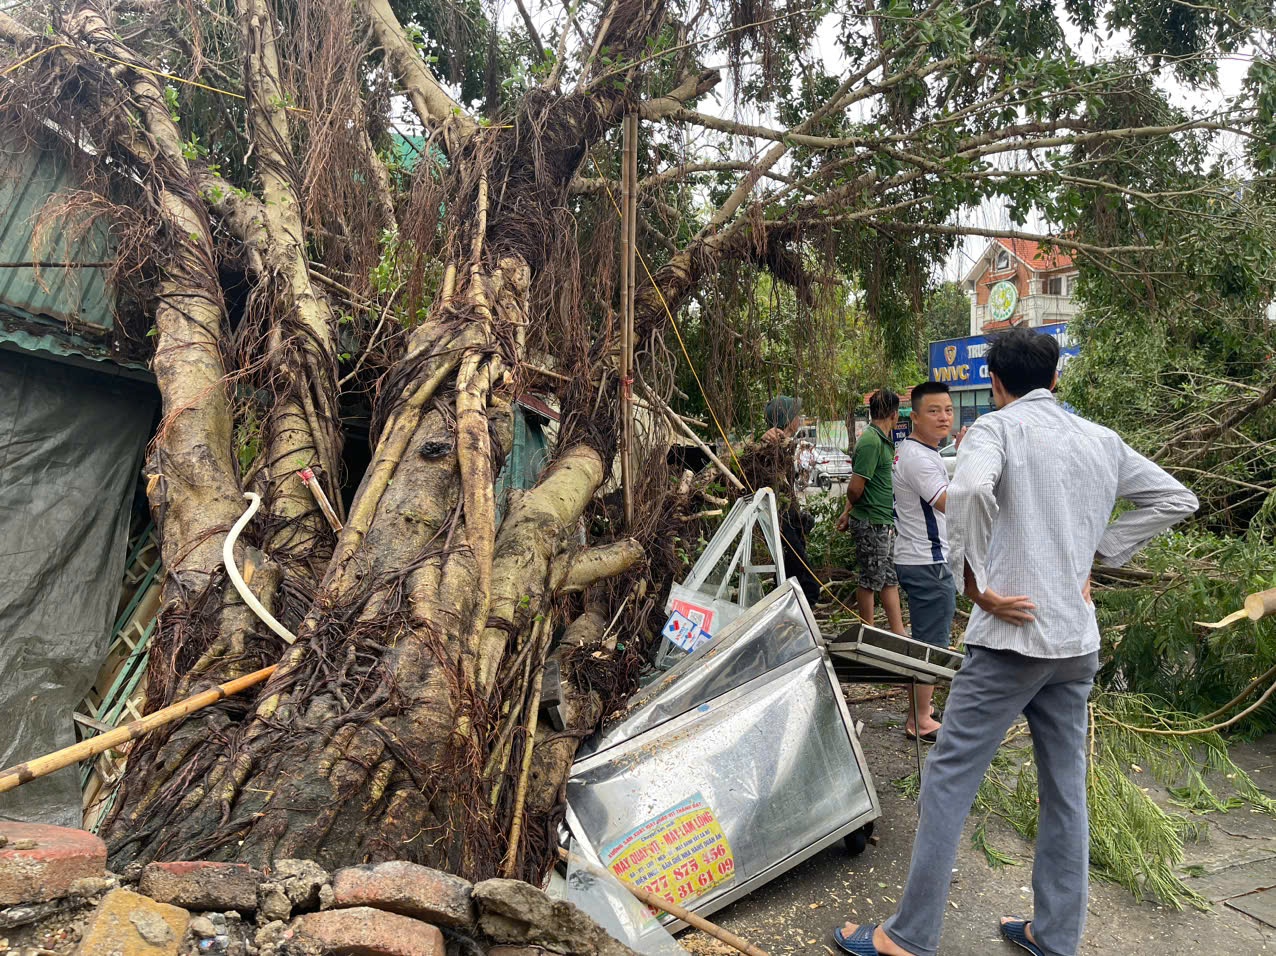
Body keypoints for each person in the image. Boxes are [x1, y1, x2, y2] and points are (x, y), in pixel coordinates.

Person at [833, 327, 1198, 956]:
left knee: (948, 777)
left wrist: (970, 581)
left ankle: (909, 936)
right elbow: (1175, 497)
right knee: (1065, 792)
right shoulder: (1102, 440)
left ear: (996, 386)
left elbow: (971, 491)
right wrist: (1102, 553)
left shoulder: (996, 431)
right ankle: (1054, 936)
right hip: (1074, 645)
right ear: (1056, 379)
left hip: (1009, 640)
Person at [891, 381, 958, 742]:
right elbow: (949, 503)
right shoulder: (918, 457)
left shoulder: (919, 450)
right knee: (931, 644)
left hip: (918, 558)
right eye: (934, 411)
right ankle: (919, 720)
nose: (943, 416)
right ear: (914, 416)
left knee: (926, 639)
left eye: (947, 409)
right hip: (926, 562)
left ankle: (923, 708)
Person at [836, 389, 905, 641]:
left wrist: (846, 512)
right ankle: (868, 634)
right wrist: (850, 513)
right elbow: (855, 488)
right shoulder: (871, 441)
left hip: (884, 521)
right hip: (871, 522)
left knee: (888, 577)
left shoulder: (882, 440)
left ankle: (898, 634)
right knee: (870, 579)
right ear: (894, 415)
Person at [762, 396, 822, 605]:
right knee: (807, 583)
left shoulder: (789, 444)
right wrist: (764, 439)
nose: (800, 419)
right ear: (787, 419)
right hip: (781, 519)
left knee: (791, 572)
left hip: (791, 517)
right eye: (797, 415)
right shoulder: (770, 443)